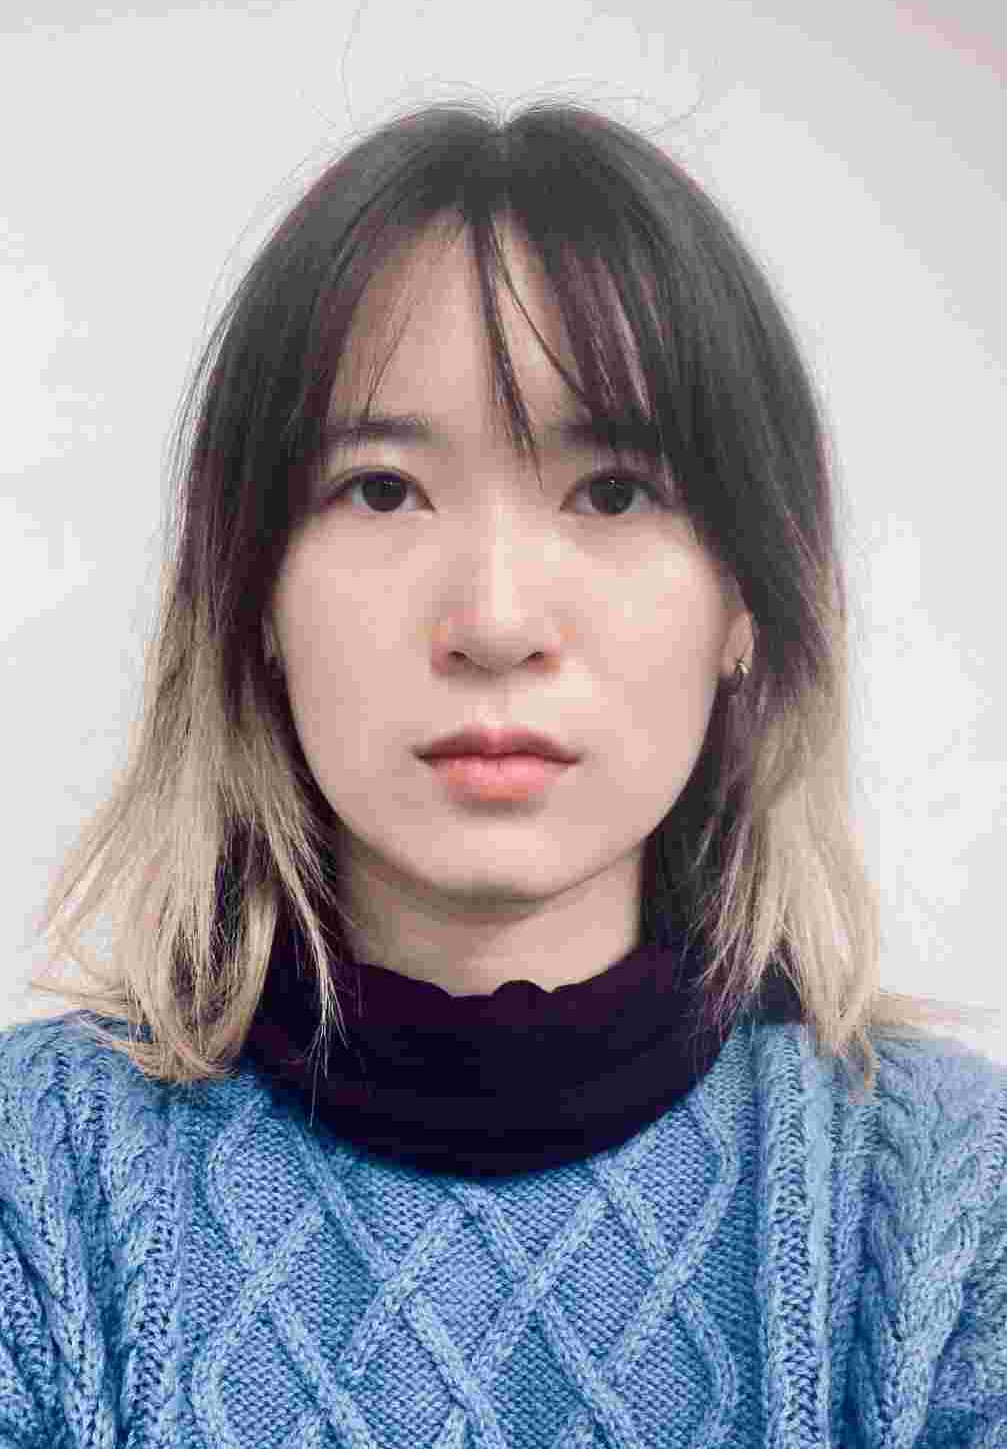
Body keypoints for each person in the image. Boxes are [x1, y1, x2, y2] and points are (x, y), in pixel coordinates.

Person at [2, 98, 1004, 1447]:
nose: (494, 620)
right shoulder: (39, 1186)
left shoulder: (950, 1209)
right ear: (252, 597)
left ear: (748, 601)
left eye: (613, 492)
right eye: (382, 489)